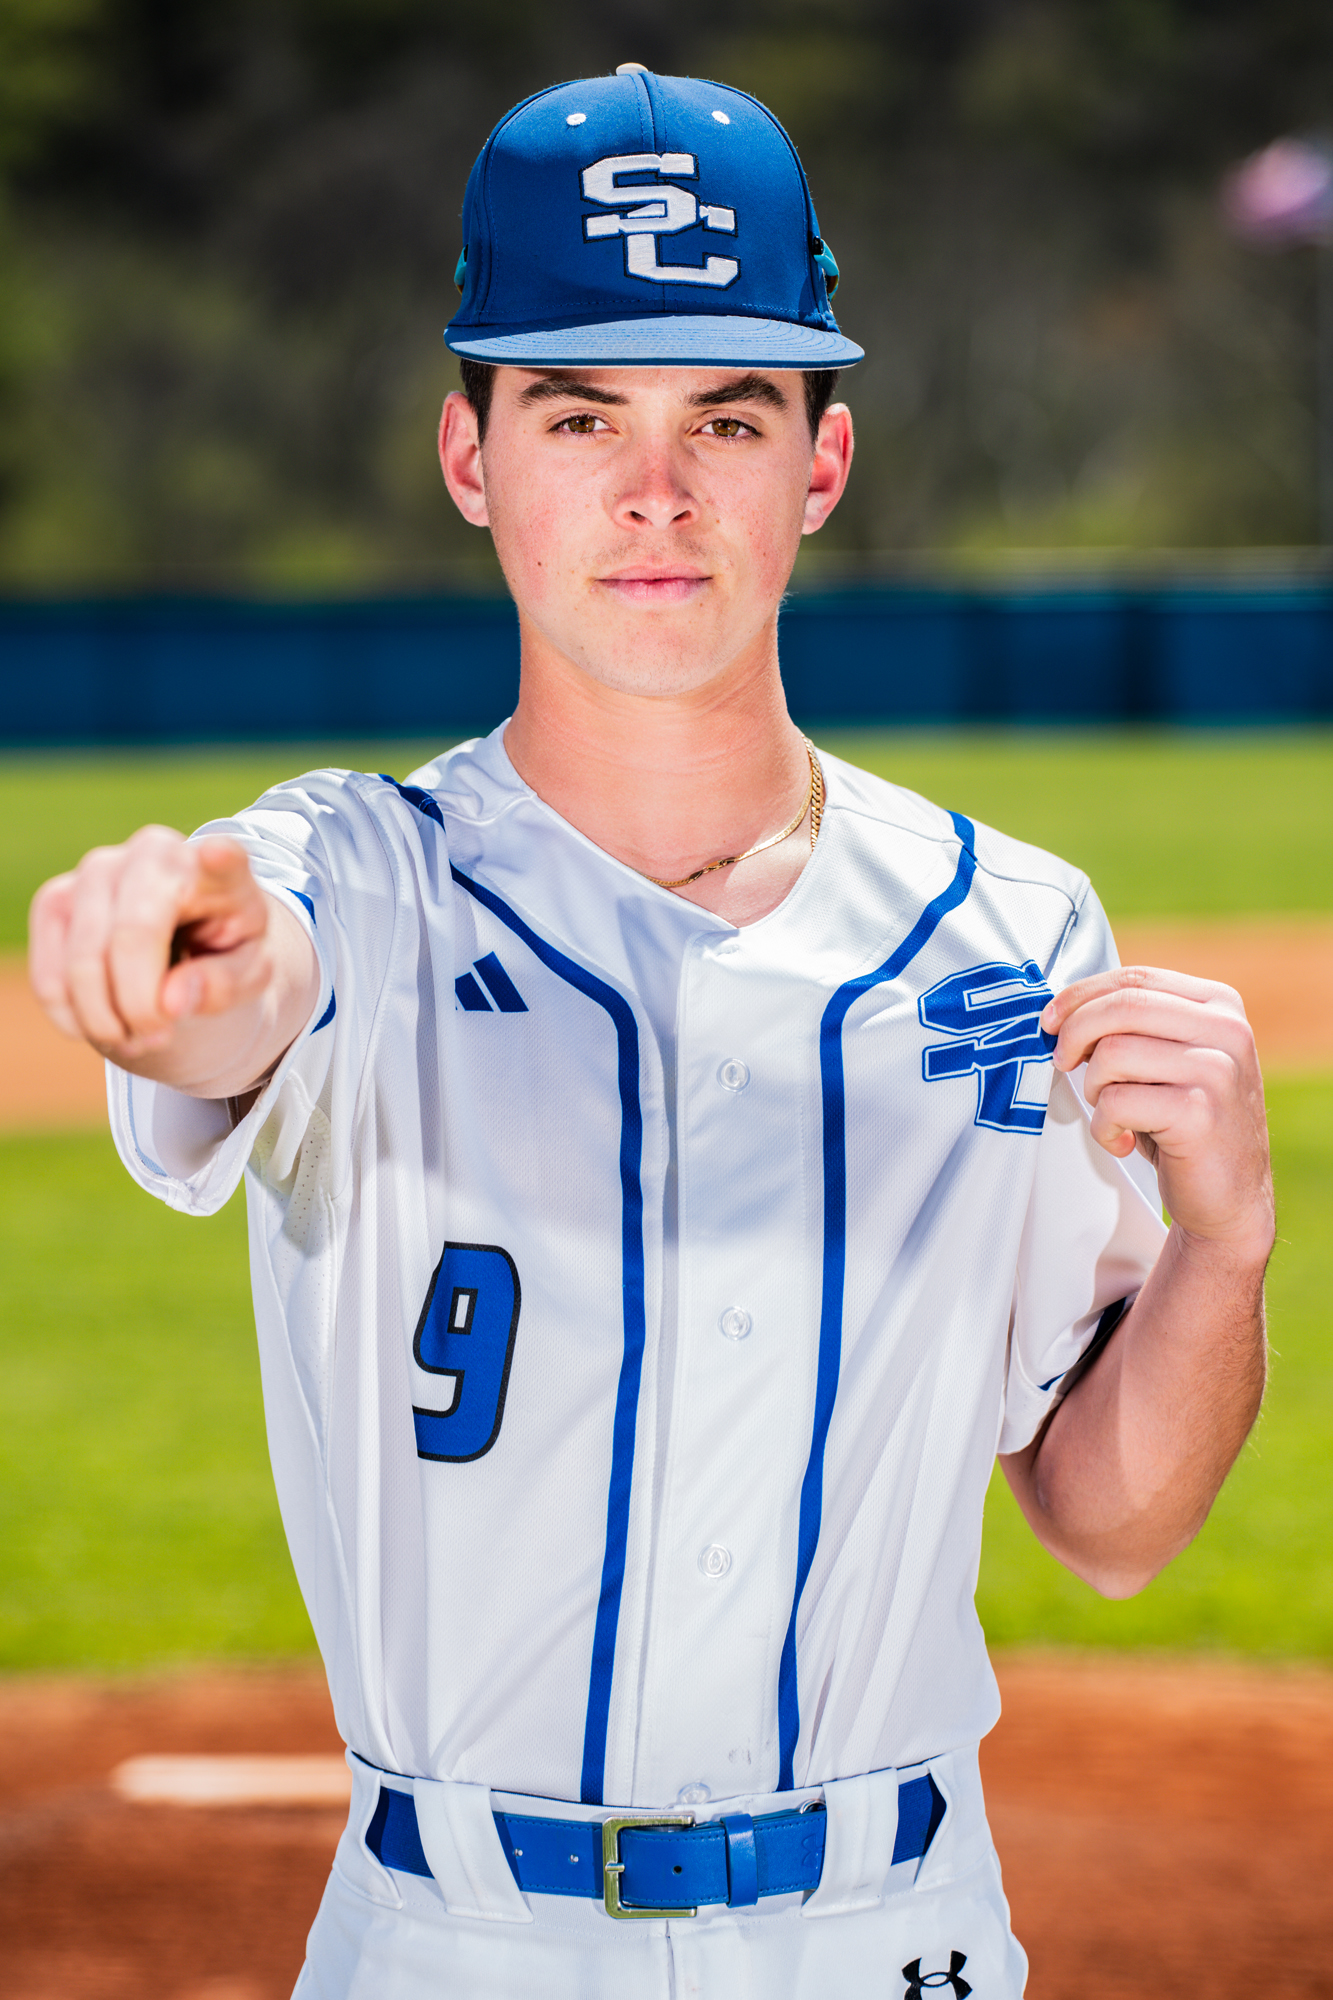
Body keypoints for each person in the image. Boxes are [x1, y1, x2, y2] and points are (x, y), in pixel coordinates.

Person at [29, 66, 1272, 2000]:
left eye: (726, 418)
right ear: (469, 456)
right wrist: (183, 968)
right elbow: (250, 984)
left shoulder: (1010, 935)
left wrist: (1223, 1248)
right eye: (580, 413)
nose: (655, 491)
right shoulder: (358, 879)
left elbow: (1110, 1524)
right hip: (451, 1946)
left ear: (820, 464)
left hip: (892, 1934)